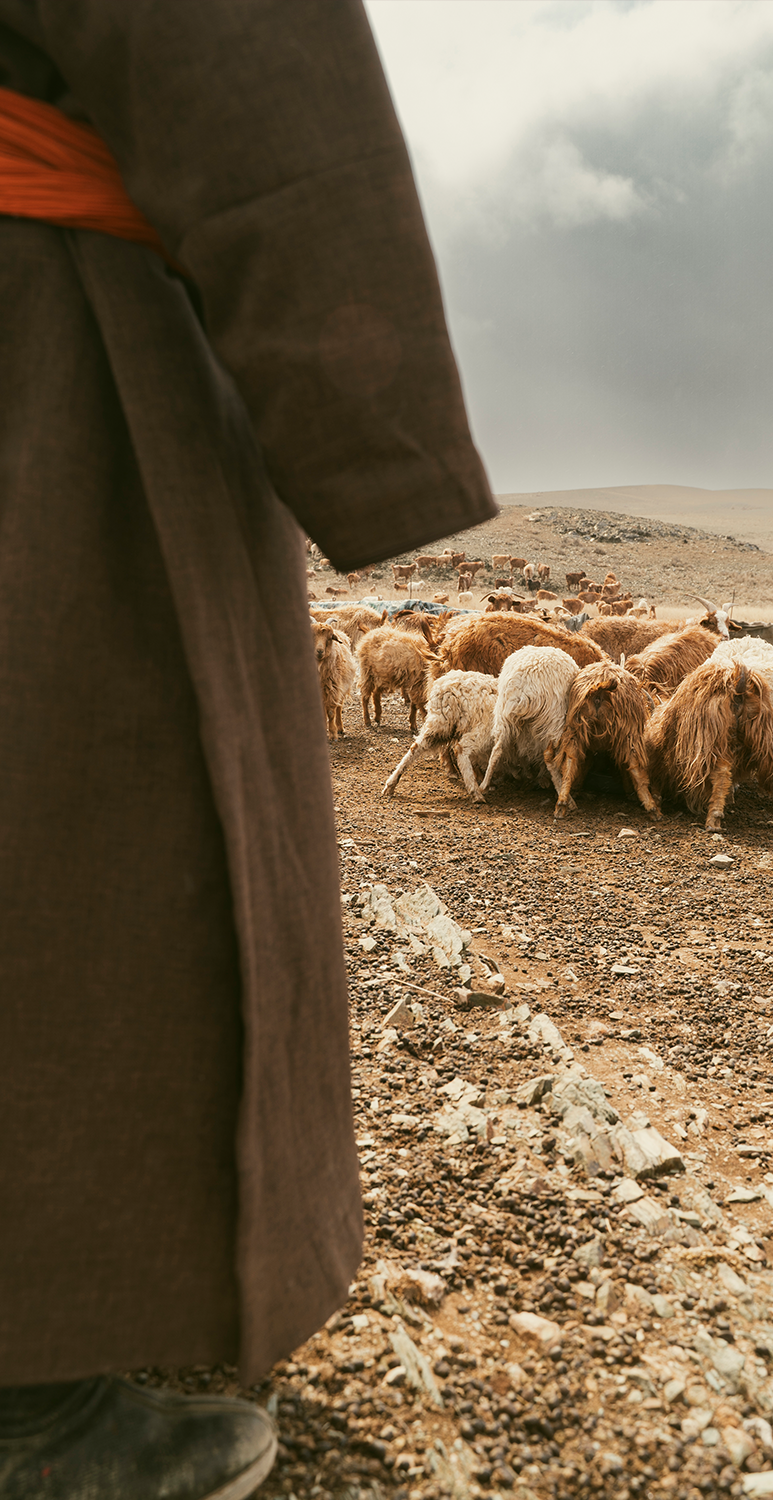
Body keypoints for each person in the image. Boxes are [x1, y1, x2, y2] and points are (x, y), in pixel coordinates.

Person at [0, 3, 495, 1497]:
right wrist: (371, 422)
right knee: (69, 828)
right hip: (43, 359)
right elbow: (243, 62)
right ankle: (27, 1393)